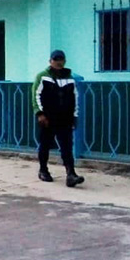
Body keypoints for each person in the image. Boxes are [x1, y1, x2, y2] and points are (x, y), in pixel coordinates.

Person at [31, 49, 84, 187]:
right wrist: (40, 113)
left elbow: (75, 98)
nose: (58, 62)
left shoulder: (69, 78)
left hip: (65, 118)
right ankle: (43, 170)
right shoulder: (42, 76)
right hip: (48, 118)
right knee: (45, 145)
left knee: (66, 146)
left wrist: (75, 116)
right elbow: (36, 95)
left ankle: (71, 174)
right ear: (50, 61)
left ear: (64, 61)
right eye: (56, 59)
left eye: (61, 59)